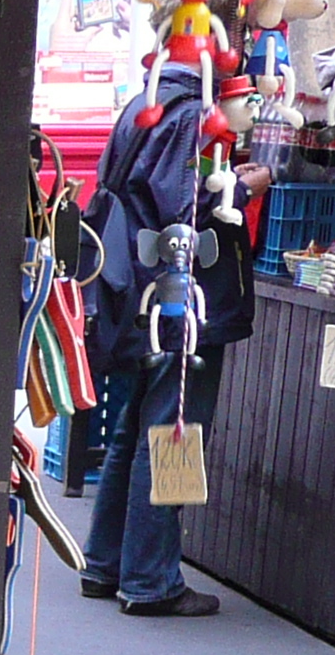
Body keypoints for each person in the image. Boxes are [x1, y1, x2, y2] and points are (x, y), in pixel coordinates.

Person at [74, 54, 271, 618]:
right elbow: (187, 203)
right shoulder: (193, 115)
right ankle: (150, 578)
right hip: (180, 294)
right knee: (173, 427)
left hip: (141, 289)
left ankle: (106, 564)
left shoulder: (150, 98)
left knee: (137, 425)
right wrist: (244, 185)